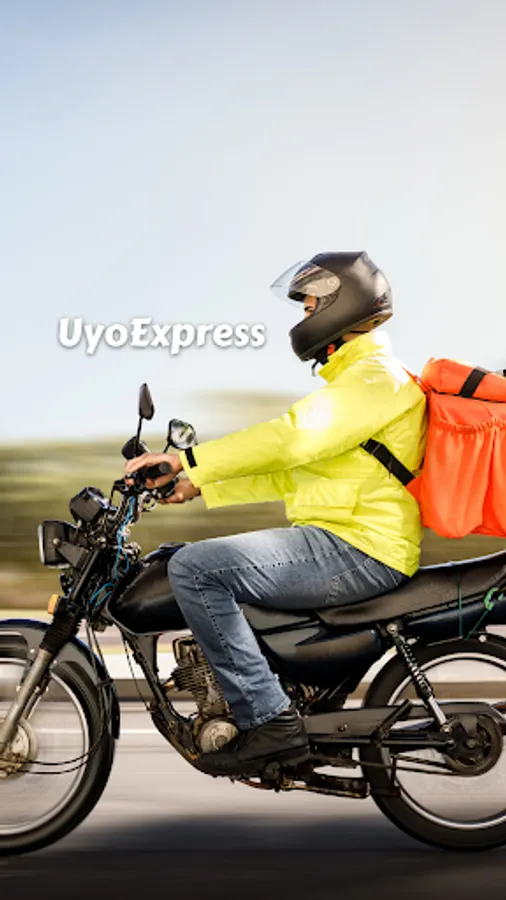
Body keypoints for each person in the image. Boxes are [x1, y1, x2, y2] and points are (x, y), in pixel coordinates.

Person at [124, 251, 427, 777]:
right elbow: (292, 473)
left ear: (342, 305)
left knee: (195, 569)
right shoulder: (360, 382)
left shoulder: (374, 379)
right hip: (346, 540)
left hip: (359, 548)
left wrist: (187, 459)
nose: (303, 317)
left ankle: (269, 720)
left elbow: (292, 439)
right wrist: (197, 485)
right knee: (189, 559)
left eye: (310, 306)